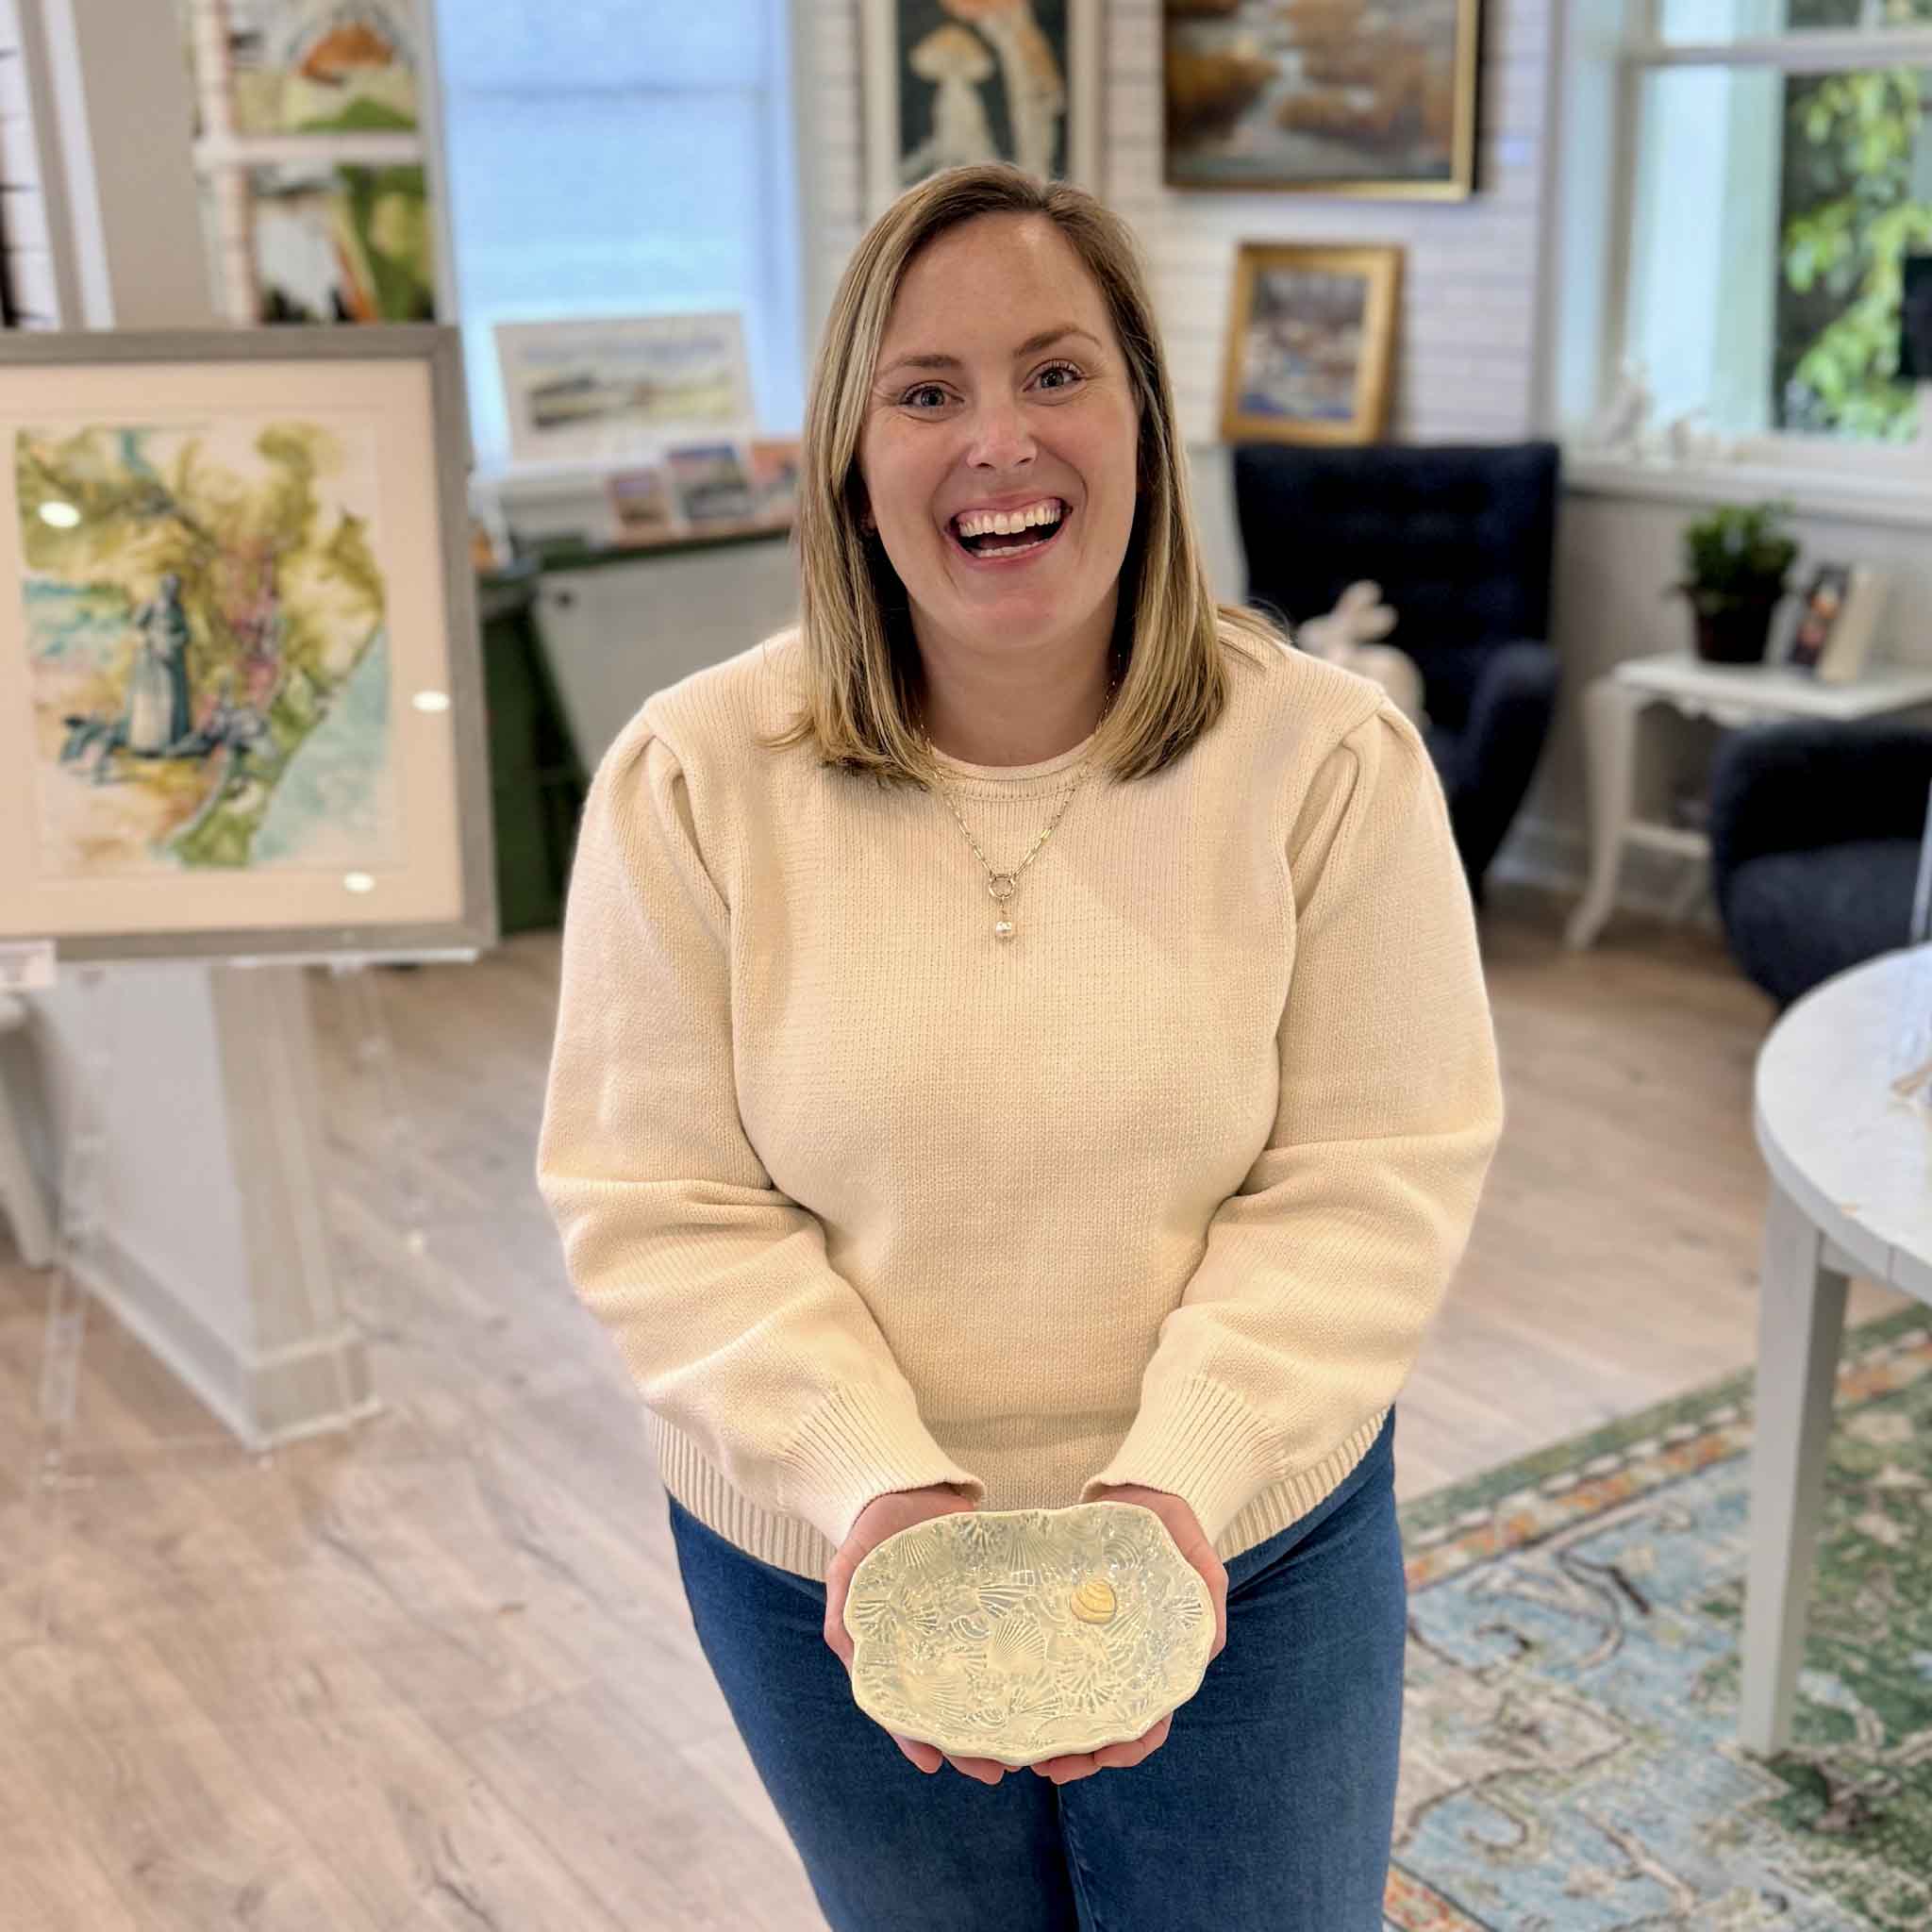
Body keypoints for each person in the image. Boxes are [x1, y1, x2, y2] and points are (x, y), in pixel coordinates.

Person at [536, 161, 1504, 1932]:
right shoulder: (694, 777)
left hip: (1256, 1540)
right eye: (927, 391)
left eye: (1057, 372)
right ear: (850, 447)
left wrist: (1175, 1493)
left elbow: (1373, 1178)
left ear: (1140, 411)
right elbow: (656, 1198)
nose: (1001, 440)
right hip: (824, 1557)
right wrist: (876, 1489)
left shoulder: (1330, 764)